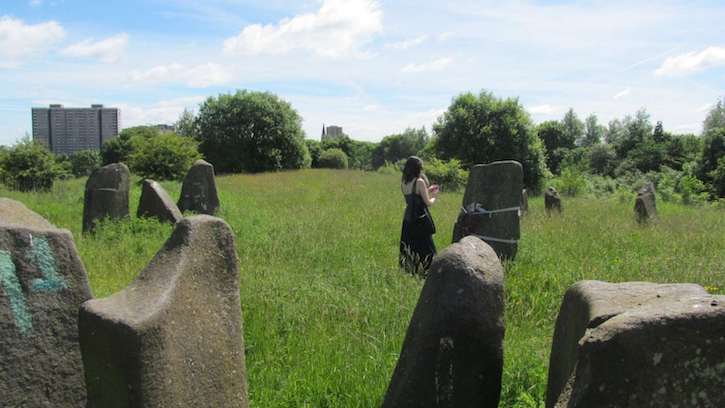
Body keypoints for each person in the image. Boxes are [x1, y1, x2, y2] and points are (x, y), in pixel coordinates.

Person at [399, 156, 439, 275]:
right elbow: (427, 203)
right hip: (420, 219)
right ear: (417, 168)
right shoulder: (419, 181)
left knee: (410, 246)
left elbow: (415, 196)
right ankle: (430, 273)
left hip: (408, 219)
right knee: (427, 248)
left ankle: (411, 271)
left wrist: (428, 190)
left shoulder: (404, 183)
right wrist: (434, 197)